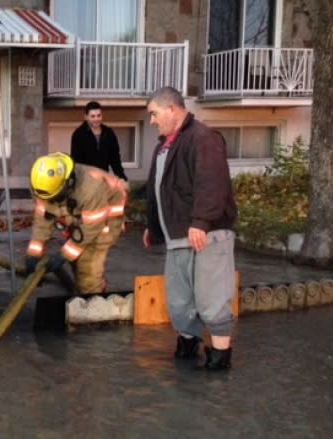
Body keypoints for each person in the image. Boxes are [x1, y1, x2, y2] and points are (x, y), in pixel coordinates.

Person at [142, 86, 238, 371]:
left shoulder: (203, 138)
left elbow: (212, 183)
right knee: (180, 302)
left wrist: (201, 222)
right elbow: (159, 190)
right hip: (178, 238)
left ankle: (219, 361)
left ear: (172, 109)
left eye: (154, 114)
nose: (152, 121)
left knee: (212, 299)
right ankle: (187, 349)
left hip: (206, 235)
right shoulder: (164, 146)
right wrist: (154, 227)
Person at [24, 152, 128, 296]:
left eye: (55, 197)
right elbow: (44, 217)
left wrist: (64, 255)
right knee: (77, 263)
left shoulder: (90, 188)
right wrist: (34, 254)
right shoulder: (42, 185)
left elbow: (89, 229)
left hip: (104, 220)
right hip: (81, 217)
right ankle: (87, 290)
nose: (50, 201)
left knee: (87, 269)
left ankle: (93, 303)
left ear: (68, 184)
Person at [70, 101, 128, 181]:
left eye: (99, 115)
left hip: (104, 179)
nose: (96, 119)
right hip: (86, 181)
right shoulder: (78, 135)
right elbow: (76, 162)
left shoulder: (108, 133)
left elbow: (115, 159)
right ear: (86, 117)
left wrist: (122, 178)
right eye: (93, 116)